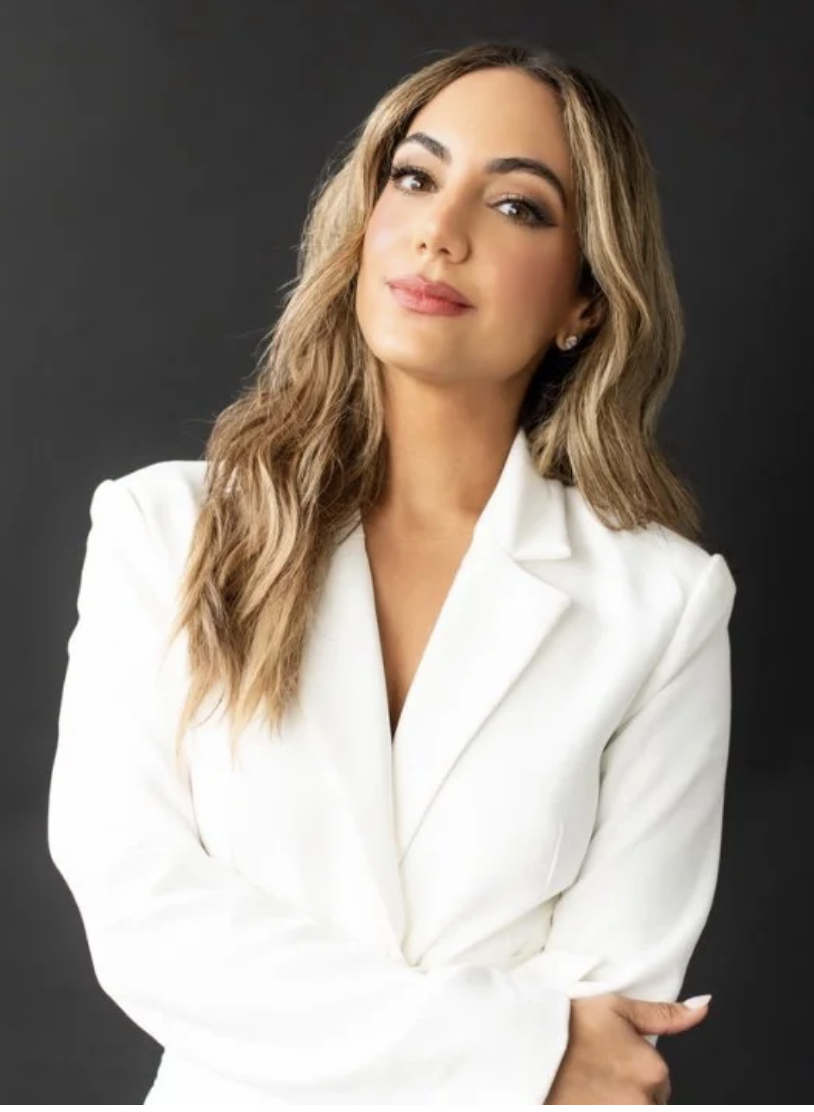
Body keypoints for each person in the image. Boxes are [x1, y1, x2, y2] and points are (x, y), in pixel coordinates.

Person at [47, 39, 736, 1106]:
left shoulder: (663, 602)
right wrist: (519, 1048)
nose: (438, 230)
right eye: (414, 176)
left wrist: (547, 1048)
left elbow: (613, 1020)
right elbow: (141, 912)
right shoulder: (162, 528)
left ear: (585, 302)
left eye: (517, 207)